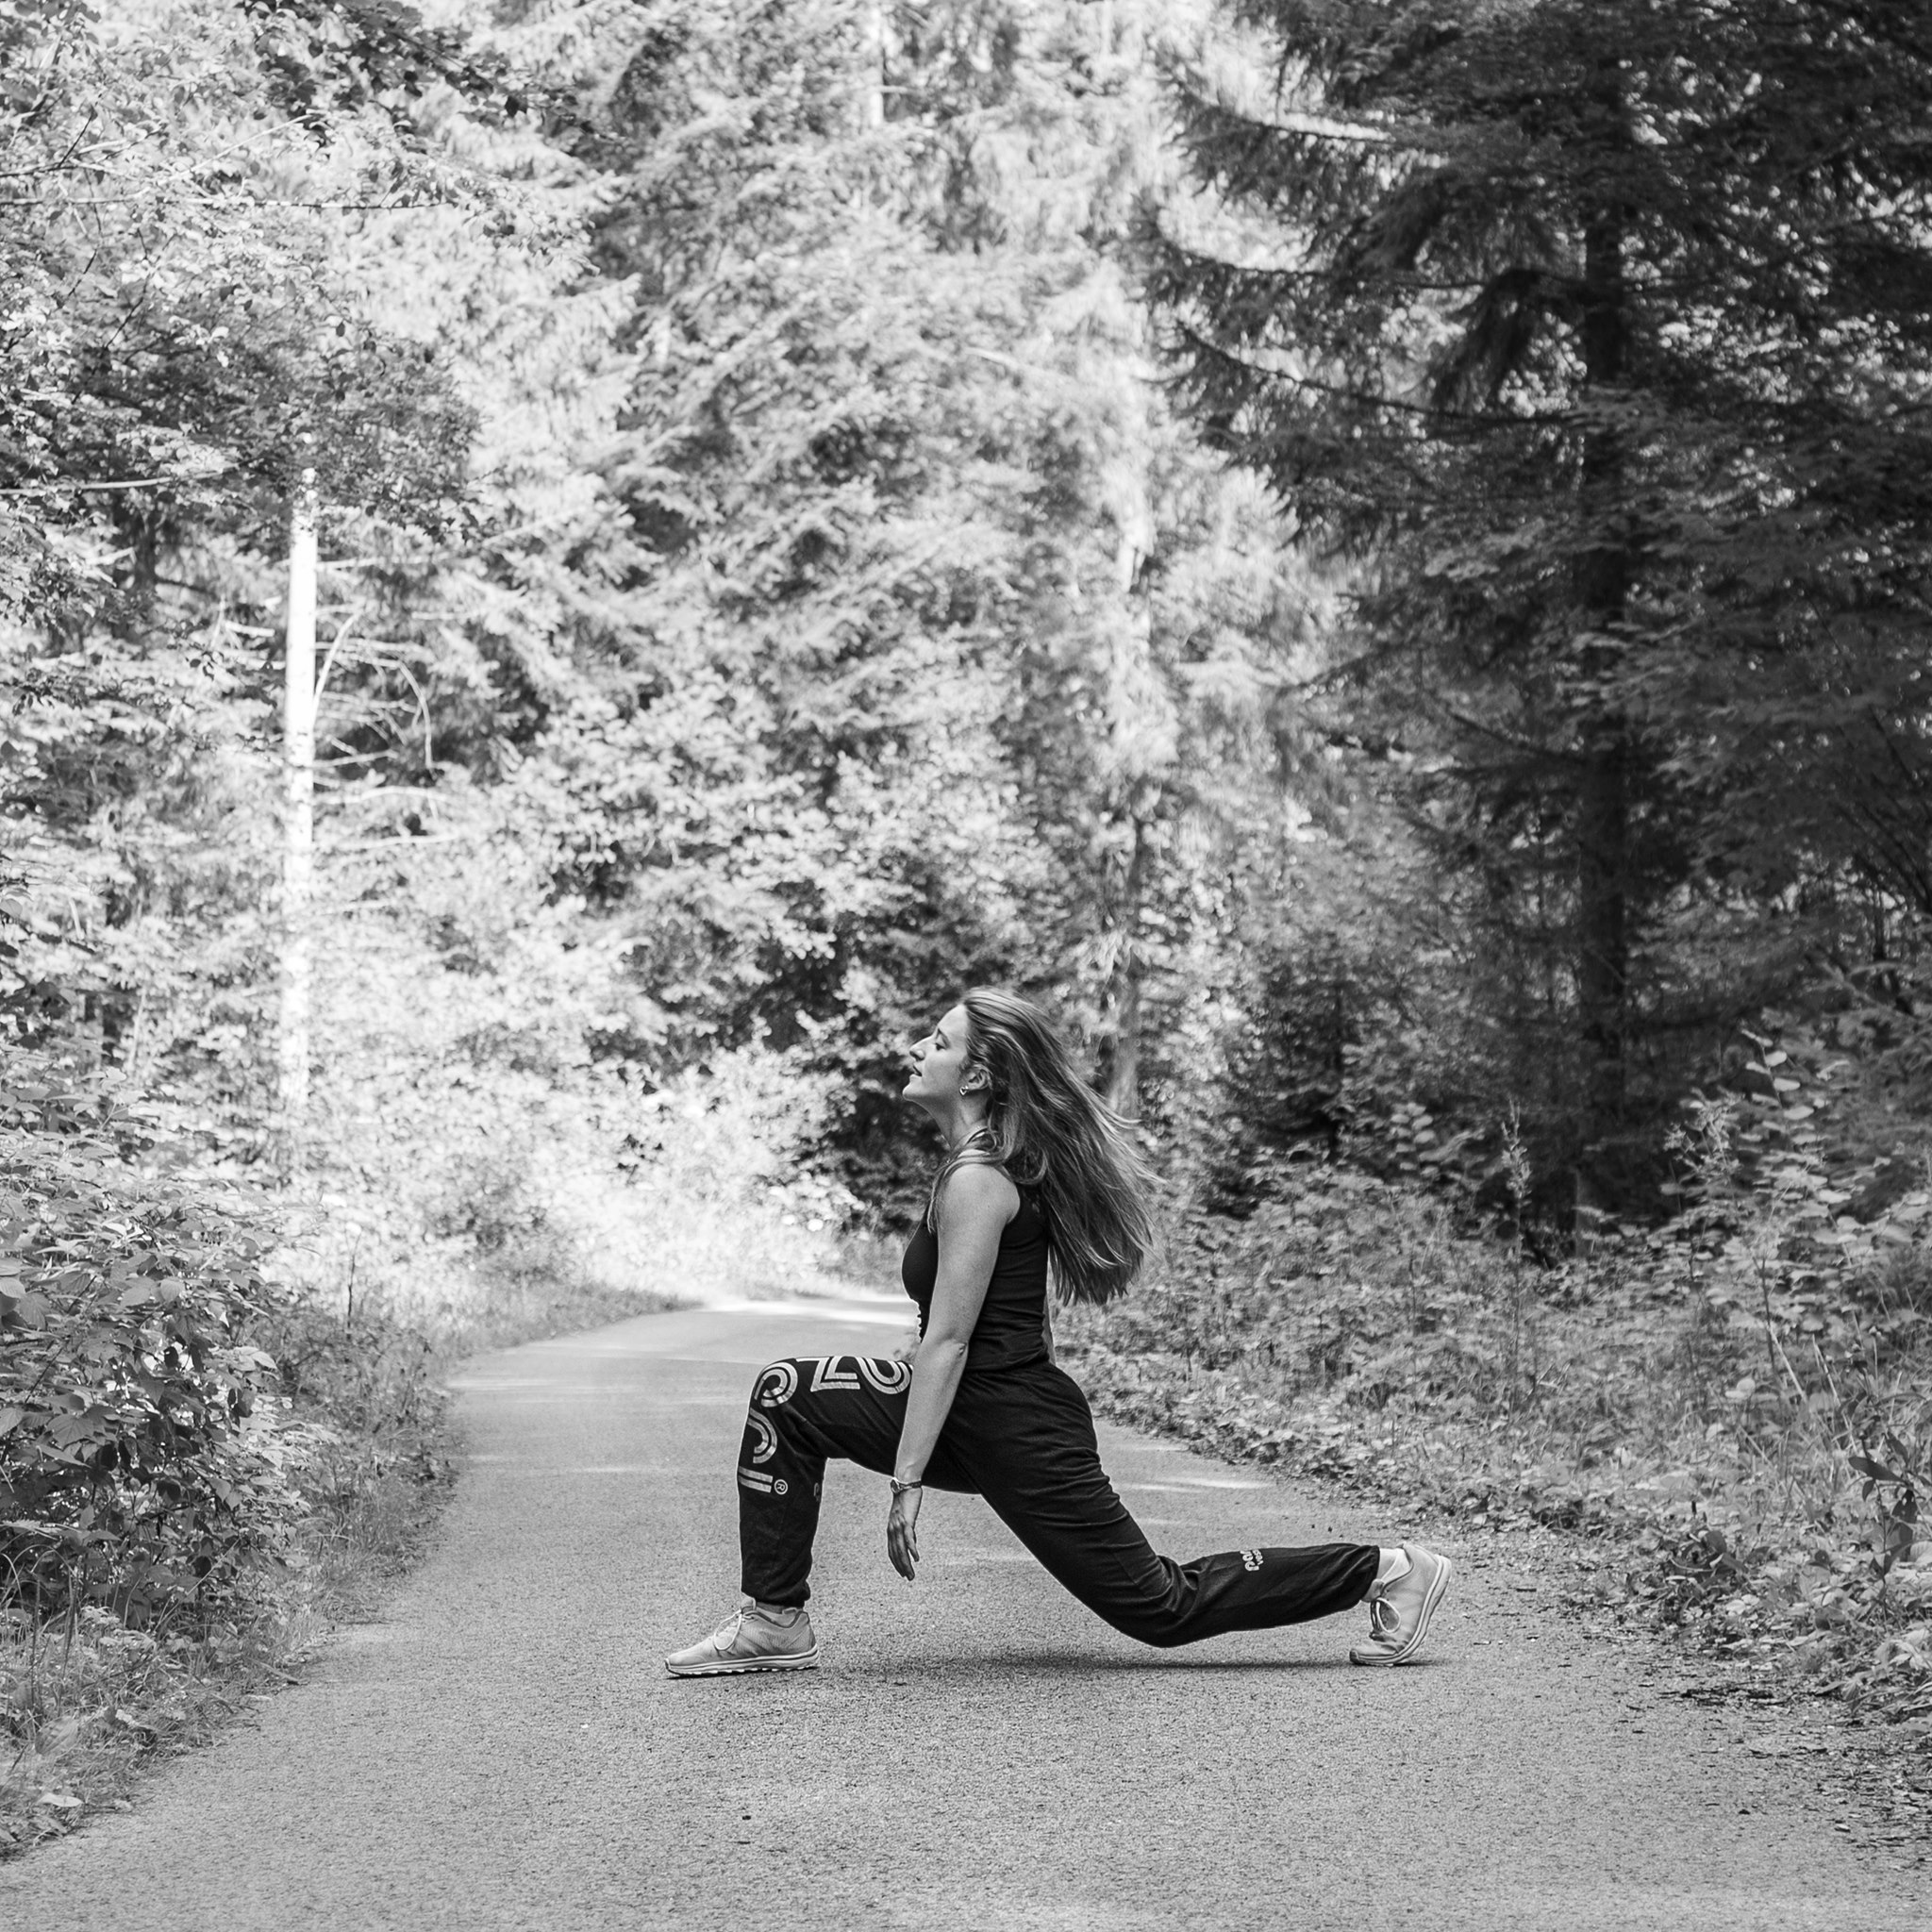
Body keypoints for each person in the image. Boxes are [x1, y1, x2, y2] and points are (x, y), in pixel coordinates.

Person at [665, 987, 1451, 1677]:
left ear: (975, 1076)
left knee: (1160, 1606)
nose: (915, 1049)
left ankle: (1388, 1569)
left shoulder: (980, 1179)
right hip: (975, 1408)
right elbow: (978, 1321)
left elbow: (953, 1342)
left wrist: (905, 1485)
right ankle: (774, 1618)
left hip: (1014, 1425)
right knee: (788, 1394)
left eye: (938, 1041)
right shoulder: (983, 1167)